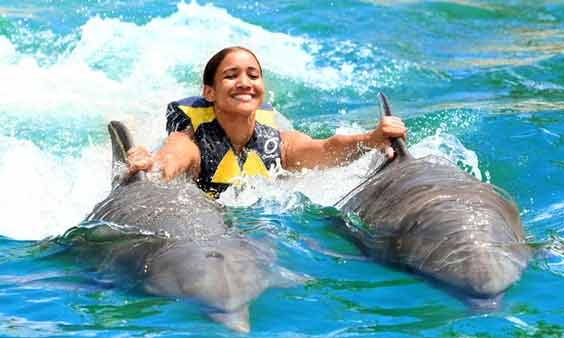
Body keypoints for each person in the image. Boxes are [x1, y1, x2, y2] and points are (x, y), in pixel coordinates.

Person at [128, 46, 407, 198]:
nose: (244, 83)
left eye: (253, 75)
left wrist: (372, 139)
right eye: (231, 75)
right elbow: (170, 159)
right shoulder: (192, 143)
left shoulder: (277, 143)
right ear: (209, 92)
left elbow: (325, 150)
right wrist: (150, 165)